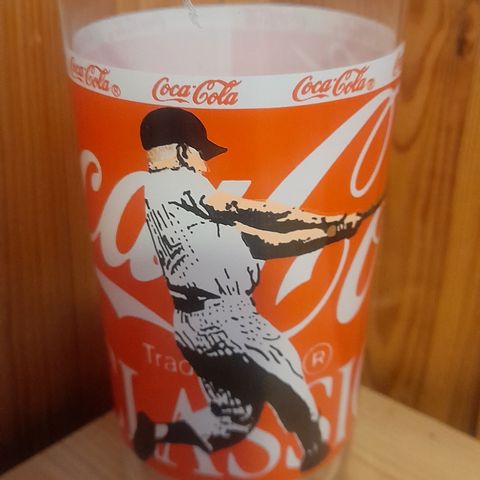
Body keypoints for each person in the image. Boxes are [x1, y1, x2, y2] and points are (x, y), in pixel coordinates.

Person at [134, 107, 379, 471]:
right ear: (183, 152)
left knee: (234, 420)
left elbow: (259, 241)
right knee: (286, 372)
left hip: (190, 323)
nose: (205, 167)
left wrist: (330, 230)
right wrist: (328, 223)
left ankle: (154, 432)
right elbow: (250, 213)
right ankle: (314, 448)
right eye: (200, 155)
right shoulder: (180, 184)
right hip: (227, 317)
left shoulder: (164, 197)